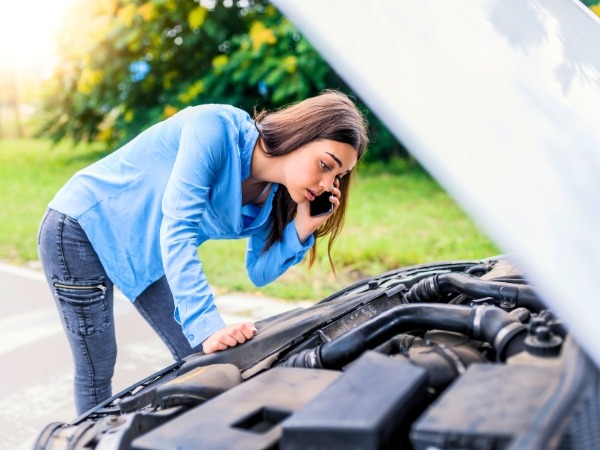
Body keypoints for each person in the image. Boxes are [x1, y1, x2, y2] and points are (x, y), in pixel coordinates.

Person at [37, 90, 369, 415]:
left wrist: (301, 228)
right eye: (326, 164)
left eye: (338, 176)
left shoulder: (273, 197)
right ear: (300, 134)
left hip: (146, 255)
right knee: (99, 363)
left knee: (204, 359)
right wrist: (208, 326)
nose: (328, 184)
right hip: (81, 228)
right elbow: (177, 230)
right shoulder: (214, 128)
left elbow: (259, 271)